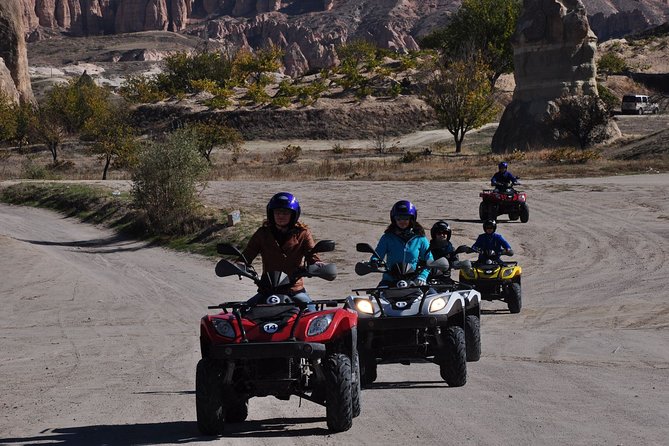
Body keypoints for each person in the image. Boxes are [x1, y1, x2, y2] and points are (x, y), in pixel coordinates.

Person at [241, 192, 320, 309]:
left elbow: (312, 255)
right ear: (271, 213)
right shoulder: (263, 233)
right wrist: (240, 264)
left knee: (313, 316)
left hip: (294, 290)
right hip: (267, 289)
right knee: (242, 314)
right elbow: (248, 254)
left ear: (293, 214)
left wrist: (318, 265)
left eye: (285, 212)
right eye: (277, 212)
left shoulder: (303, 233)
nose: (280, 216)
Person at [371, 200, 433, 287]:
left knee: (432, 297)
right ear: (394, 219)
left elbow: (429, 260)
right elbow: (377, 255)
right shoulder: (387, 237)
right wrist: (374, 262)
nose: (402, 221)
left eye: (405, 218)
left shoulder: (420, 238)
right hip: (390, 280)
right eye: (398, 218)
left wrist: (423, 276)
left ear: (411, 219)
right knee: (375, 298)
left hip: (414, 281)